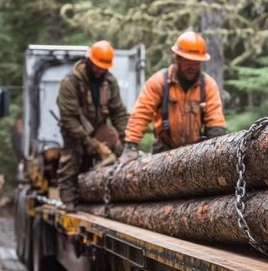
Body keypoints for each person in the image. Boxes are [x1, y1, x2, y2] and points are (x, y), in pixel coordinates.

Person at [119, 31, 227, 163]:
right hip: (163, 152)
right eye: (188, 61)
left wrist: (217, 148)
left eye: (196, 62)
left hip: (195, 151)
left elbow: (215, 121)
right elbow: (141, 114)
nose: (192, 66)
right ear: (177, 59)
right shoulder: (159, 82)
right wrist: (131, 146)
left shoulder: (208, 85)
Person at [57, 40, 129, 212]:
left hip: (99, 129)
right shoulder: (70, 82)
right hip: (74, 130)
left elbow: (118, 112)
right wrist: (88, 142)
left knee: (119, 148)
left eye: (103, 67)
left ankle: (123, 194)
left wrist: (127, 140)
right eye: (97, 66)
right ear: (89, 61)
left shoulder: (109, 82)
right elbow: (68, 118)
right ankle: (69, 201)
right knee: (72, 159)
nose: (99, 70)